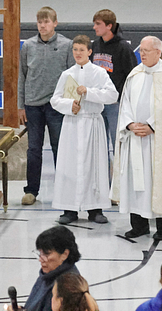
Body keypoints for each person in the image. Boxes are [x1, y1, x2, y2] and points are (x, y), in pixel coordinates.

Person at [111, 36, 162, 241]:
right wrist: (130, 124)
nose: (142, 54)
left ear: (158, 52)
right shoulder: (135, 74)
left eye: (146, 50)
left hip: (157, 140)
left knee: (159, 180)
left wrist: (152, 126)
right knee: (135, 180)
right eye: (141, 51)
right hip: (135, 137)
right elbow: (125, 103)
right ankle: (139, 225)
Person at [50, 35, 118, 224]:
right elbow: (55, 99)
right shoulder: (67, 74)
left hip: (92, 124)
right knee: (69, 166)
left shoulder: (99, 73)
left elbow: (112, 95)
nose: (78, 53)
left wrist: (89, 92)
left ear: (89, 52)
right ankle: (69, 209)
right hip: (72, 125)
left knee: (94, 166)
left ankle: (95, 209)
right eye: (75, 50)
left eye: (81, 50)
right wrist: (69, 106)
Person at [18, 7, 74, 206]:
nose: (42, 25)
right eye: (39, 22)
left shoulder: (67, 45)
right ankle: (31, 190)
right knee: (34, 149)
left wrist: (69, 104)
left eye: (46, 22)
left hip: (56, 106)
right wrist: (21, 105)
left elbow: (72, 77)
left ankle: (65, 190)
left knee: (60, 148)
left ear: (55, 23)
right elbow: (22, 76)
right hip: (33, 105)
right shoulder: (28, 46)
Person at [90, 9, 138, 171]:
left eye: (98, 24)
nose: (94, 27)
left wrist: (126, 101)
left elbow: (132, 76)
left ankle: (120, 181)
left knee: (118, 143)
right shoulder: (95, 45)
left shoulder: (124, 47)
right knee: (99, 145)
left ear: (109, 26)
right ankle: (103, 181)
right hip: (98, 103)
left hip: (116, 104)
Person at [24, 226, 82, 311]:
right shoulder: (47, 275)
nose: (40, 259)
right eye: (40, 253)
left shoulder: (68, 286)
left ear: (64, 254)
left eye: (46, 254)